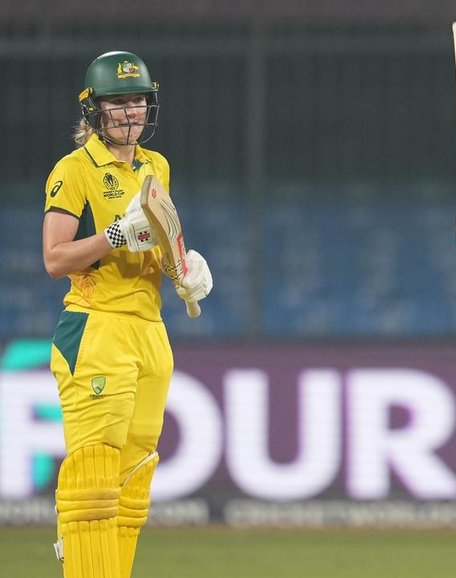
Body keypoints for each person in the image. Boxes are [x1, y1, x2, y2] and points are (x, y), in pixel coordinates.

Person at [42, 51, 213, 578]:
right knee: (94, 478)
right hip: (96, 327)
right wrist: (114, 235)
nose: (130, 112)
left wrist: (184, 266)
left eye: (138, 100)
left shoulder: (156, 166)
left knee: (132, 482)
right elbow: (54, 258)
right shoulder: (73, 171)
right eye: (118, 103)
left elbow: (158, 240)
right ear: (94, 111)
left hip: (150, 331)